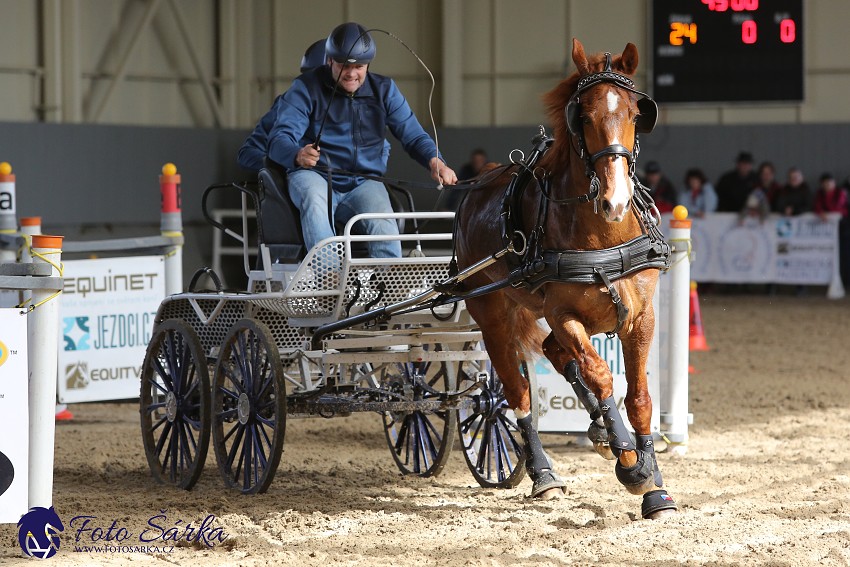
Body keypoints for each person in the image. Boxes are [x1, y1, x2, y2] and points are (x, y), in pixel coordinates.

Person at [267, 22, 456, 258]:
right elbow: (278, 139)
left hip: (363, 181)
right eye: (344, 65)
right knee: (314, 200)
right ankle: (330, 281)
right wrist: (297, 154)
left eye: (359, 66)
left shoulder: (385, 90)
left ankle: (391, 286)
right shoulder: (305, 88)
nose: (352, 73)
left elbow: (413, 134)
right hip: (315, 176)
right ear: (330, 61)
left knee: (383, 221)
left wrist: (435, 160)